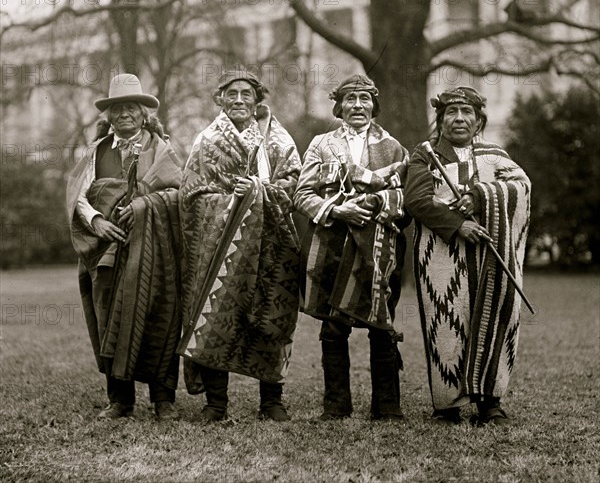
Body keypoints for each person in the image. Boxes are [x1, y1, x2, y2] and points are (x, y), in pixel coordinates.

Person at [177, 68, 302, 423]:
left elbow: (295, 183)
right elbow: (192, 193)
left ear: (257, 100)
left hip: (271, 244)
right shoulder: (207, 140)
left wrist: (259, 193)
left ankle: (272, 401)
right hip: (222, 248)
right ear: (220, 99)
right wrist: (232, 200)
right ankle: (216, 404)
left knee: (270, 314)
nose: (239, 100)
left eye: (247, 94)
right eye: (231, 93)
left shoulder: (278, 141)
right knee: (217, 316)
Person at [405, 86, 531, 425]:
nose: (459, 119)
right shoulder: (426, 154)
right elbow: (416, 200)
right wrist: (459, 225)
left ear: (479, 121)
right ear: (441, 119)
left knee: (496, 316)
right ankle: (447, 405)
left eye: (467, 113)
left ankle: (490, 402)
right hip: (441, 256)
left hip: (491, 257)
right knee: (446, 322)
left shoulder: (495, 155)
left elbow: (522, 187)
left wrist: (480, 196)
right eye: (452, 112)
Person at [66, 74, 184, 420]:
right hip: (105, 251)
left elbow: (179, 193)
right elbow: (77, 196)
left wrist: (143, 205)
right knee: (108, 320)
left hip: (154, 250)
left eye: (131, 108)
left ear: (144, 113)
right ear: (109, 116)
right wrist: (96, 220)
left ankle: (164, 400)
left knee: (159, 317)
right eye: (117, 109)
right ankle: (120, 400)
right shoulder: (95, 152)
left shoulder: (162, 149)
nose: (124, 115)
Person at [294, 74, 410, 422]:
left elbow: (405, 198)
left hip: (379, 249)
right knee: (333, 325)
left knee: (381, 323)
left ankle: (387, 408)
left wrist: (376, 206)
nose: (357, 105)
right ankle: (336, 407)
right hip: (332, 244)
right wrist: (338, 209)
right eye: (350, 99)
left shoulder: (395, 148)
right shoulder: (321, 144)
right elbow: (301, 194)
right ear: (339, 106)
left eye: (364, 98)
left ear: (375, 105)